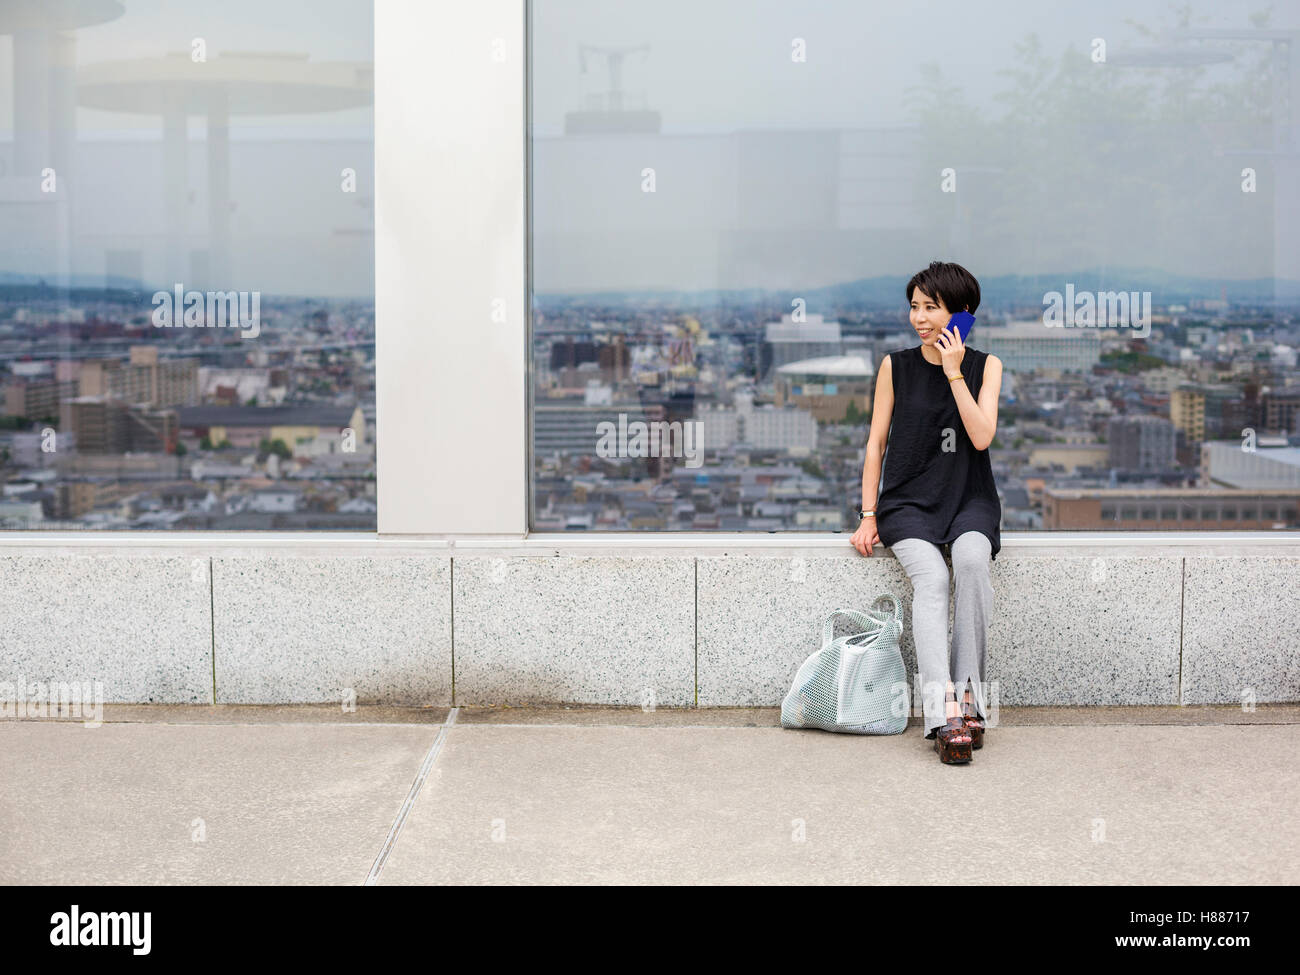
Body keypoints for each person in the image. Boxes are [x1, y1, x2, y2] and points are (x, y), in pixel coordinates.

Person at [849, 261, 1003, 765]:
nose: (918, 317)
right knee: (933, 580)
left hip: (969, 498)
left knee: (974, 564)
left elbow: (980, 436)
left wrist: (955, 372)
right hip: (908, 501)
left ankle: (971, 701)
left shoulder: (987, 367)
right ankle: (945, 716)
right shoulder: (896, 366)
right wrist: (869, 513)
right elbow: (875, 443)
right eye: (914, 306)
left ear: (961, 314)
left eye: (931, 307)